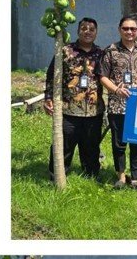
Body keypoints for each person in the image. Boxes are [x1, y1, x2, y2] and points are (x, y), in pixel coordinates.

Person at [44, 17, 105, 179]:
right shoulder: (65, 51)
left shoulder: (101, 54)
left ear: (96, 33)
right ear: (78, 31)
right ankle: (57, 175)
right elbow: (52, 75)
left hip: (93, 110)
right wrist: (48, 96)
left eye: (91, 29)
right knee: (64, 144)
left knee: (91, 146)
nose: (87, 32)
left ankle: (91, 175)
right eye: (84, 28)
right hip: (68, 109)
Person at [99, 15, 137, 189]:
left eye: (133, 29)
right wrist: (116, 90)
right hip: (117, 105)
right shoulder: (110, 51)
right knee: (119, 143)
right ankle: (121, 177)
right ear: (119, 30)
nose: (129, 32)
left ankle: (136, 177)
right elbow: (102, 76)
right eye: (125, 28)